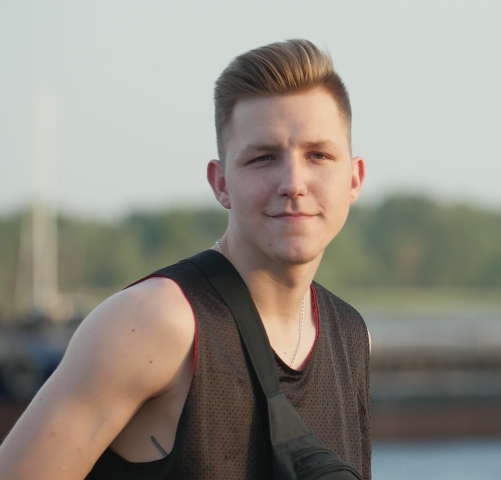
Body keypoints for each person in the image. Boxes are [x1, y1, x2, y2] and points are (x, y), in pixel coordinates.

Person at [0, 39, 371, 479]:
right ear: (221, 183)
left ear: (353, 178)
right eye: (263, 158)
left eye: (318, 156)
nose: (293, 183)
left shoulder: (349, 335)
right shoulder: (156, 322)